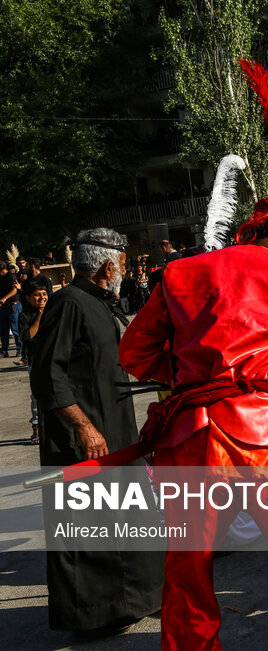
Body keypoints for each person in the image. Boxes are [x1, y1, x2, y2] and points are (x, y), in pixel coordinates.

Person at [118, 191, 268, 650]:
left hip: (190, 439)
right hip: (266, 439)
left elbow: (132, 353)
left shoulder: (180, 272)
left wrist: (193, 381)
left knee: (189, 572)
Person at [30, 228, 164, 632]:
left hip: (117, 433)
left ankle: (131, 602)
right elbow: (47, 376)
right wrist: (85, 428)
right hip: (85, 439)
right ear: (108, 265)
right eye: (122, 263)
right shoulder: (68, 303)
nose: (124, 269)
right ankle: (93, 615)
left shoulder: (97, 302)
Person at [18, 278, 47, 444]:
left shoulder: (53, 311)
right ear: (28, 298)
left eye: (44, 294)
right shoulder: (25, 316)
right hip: (35, 361)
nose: (42, 298)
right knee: (37, 396)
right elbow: (27, 337)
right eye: (37, 295)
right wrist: (40, 316)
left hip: (53, 358)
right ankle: (36, 427)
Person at [0, 264, 22, 358]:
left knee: (15, 328)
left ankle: (20, 348)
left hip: (13, 305)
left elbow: (15, 289)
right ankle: (4, 350)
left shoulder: (10, 276)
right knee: (3, 330)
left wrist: (5, 298)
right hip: (3, 307)